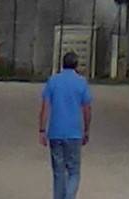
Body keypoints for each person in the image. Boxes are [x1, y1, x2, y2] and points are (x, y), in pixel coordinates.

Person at [39, 54, 92, 199]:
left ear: (62, 64)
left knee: (58, 172)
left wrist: (42, 129)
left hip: (55, 132)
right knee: (74, 172)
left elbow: (45, 107)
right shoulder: (81, 82)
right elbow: (87, 109)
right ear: (76, 65)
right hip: (74, 133)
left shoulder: (53, 81)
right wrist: (86, 130)